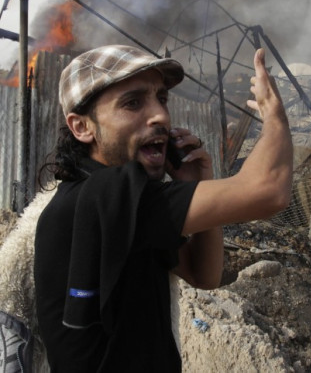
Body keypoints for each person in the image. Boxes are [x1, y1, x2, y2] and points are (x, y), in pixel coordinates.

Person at [33, 44, 293, 371]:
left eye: (162, 99)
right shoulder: (109, 196)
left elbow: (203, 274)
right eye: (132, 103)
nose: (160, 116)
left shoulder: (103, 199)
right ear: (82, 127)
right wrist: (275, 117)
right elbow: (268, 190)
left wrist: (196, 184)